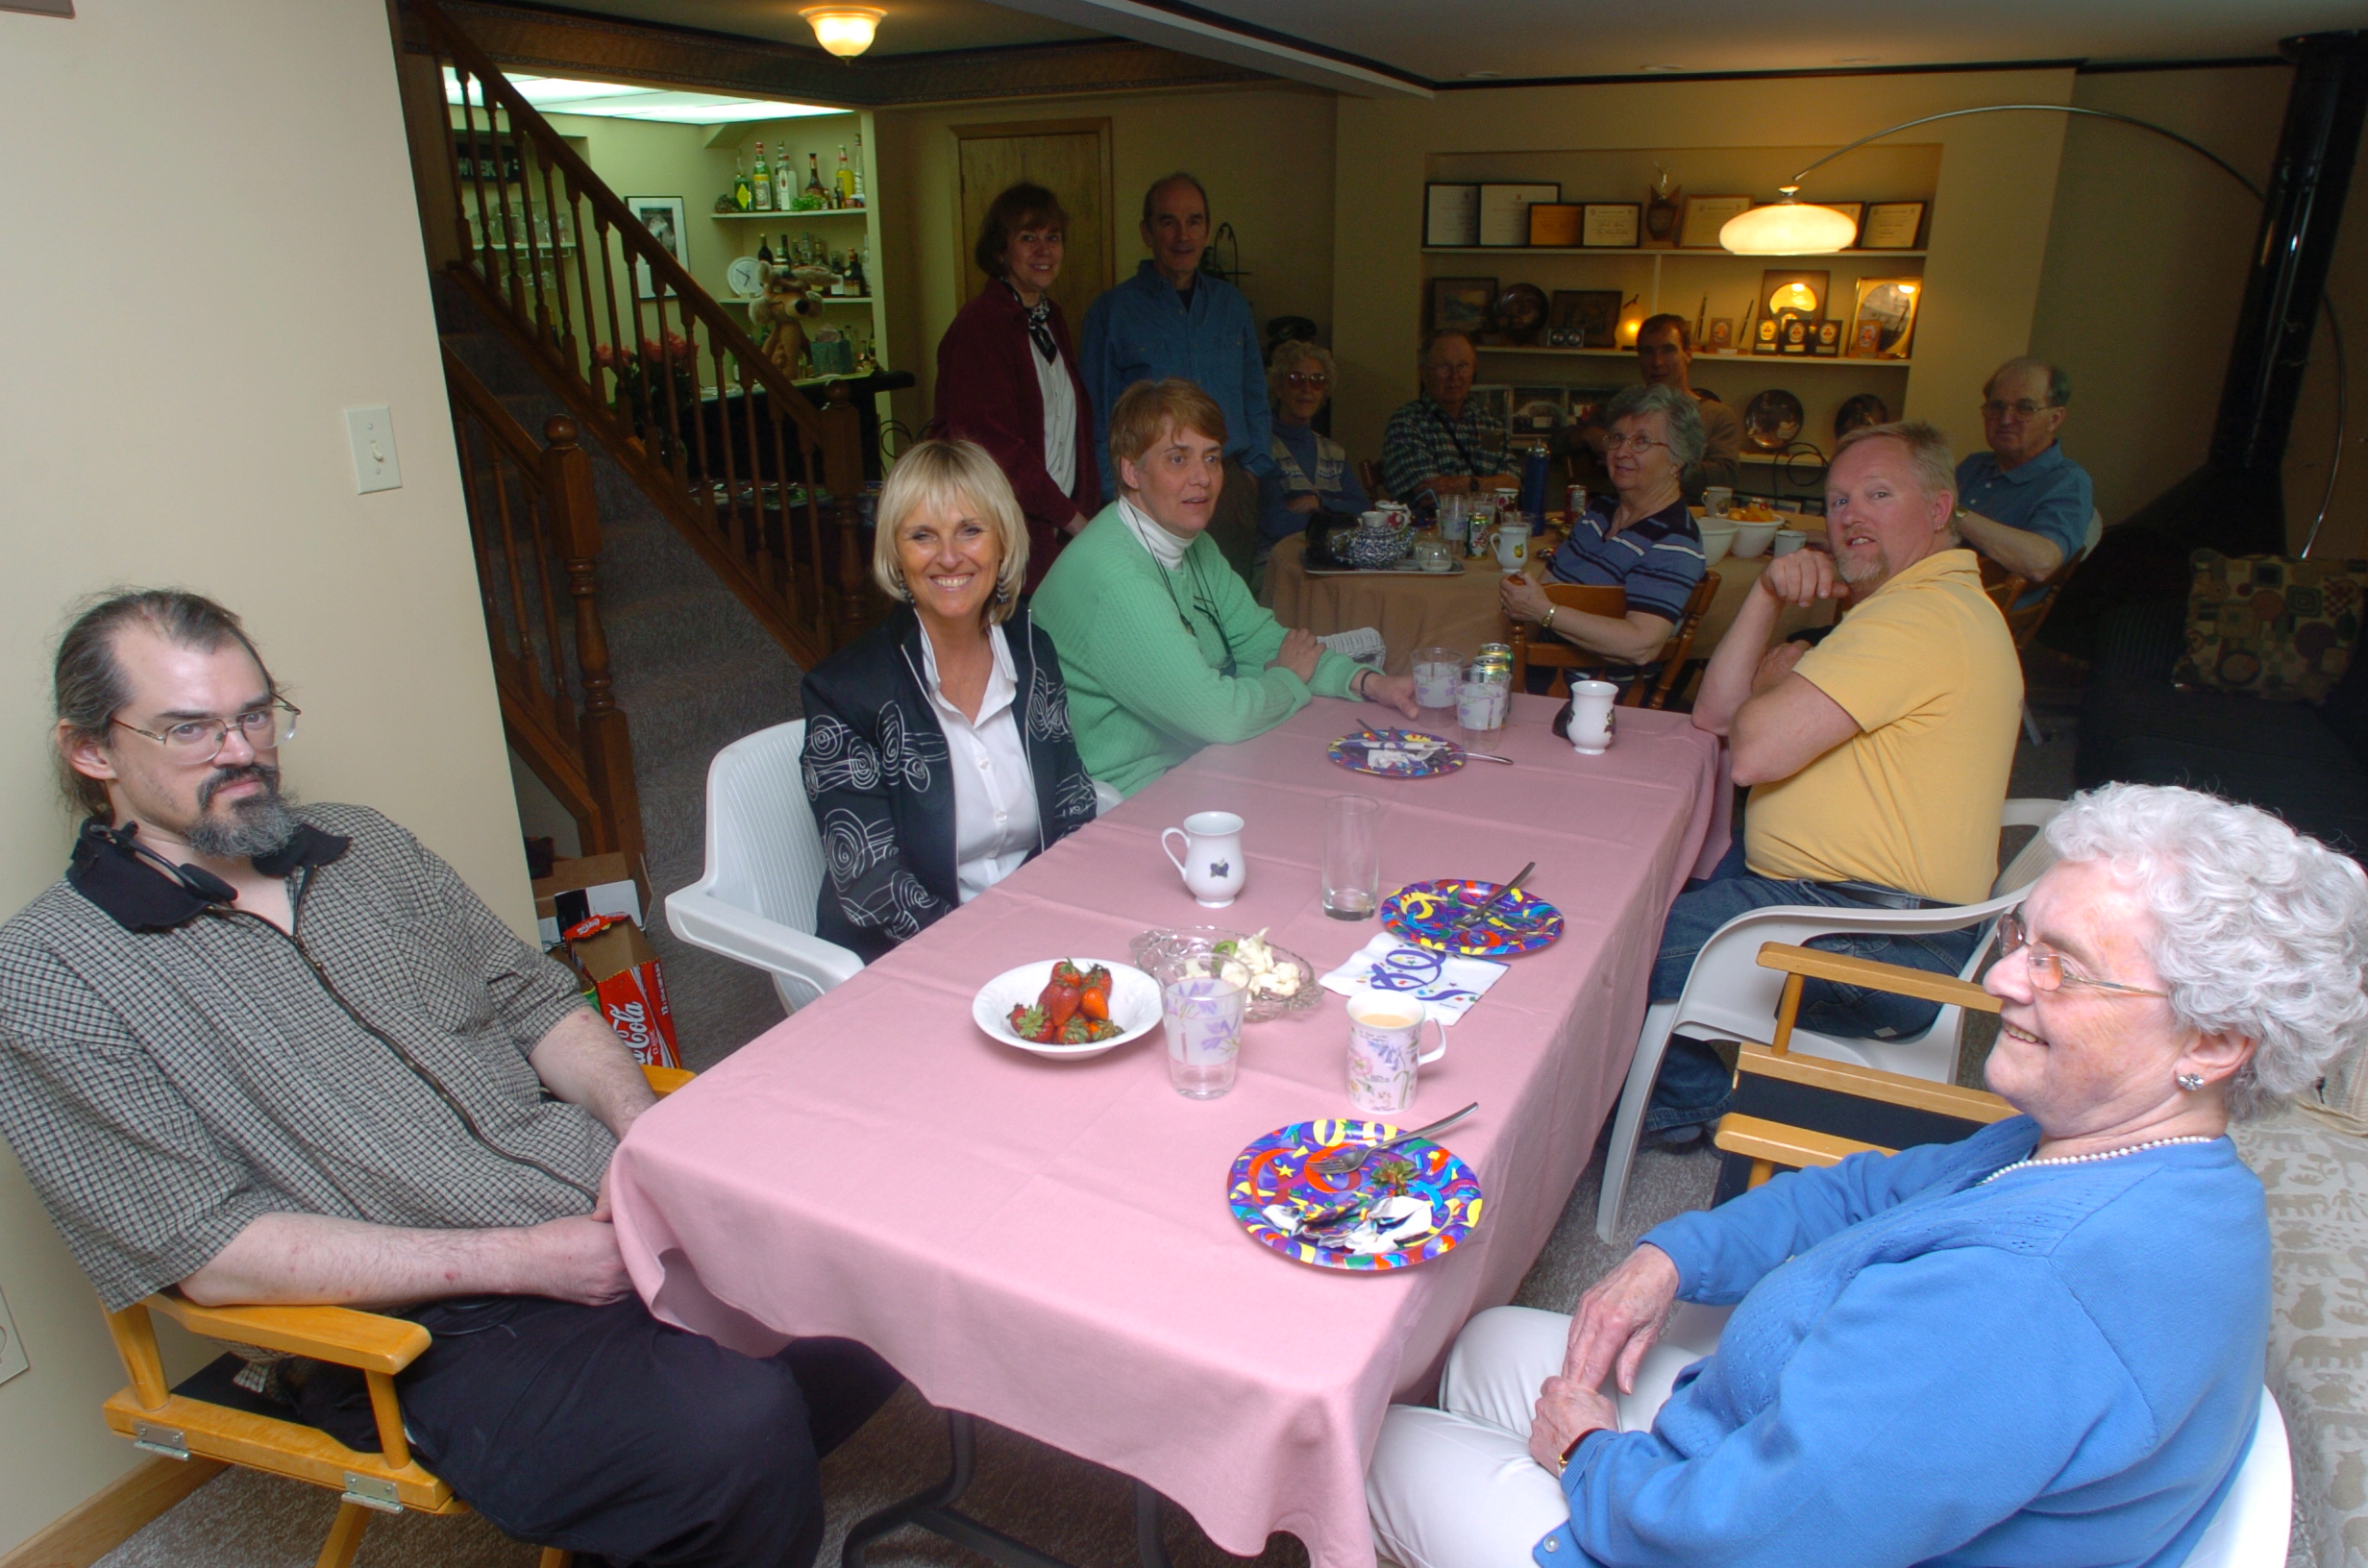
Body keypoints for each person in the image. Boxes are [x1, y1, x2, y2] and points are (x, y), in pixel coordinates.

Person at [0, 591, 900, 1568]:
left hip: (599, 1195)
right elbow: (208, 1252)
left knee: (879, 1272)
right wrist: (528, 1259)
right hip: (427, 1319)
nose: (241, 751)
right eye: (189, 729)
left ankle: (688, 1516)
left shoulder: (363, 847)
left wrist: (639, 1127)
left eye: (255, 714)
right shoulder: (53, 975)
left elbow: (534, 1001)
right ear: (91, 751)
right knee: (729, 1429)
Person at [1369, 782, 2368, 1568]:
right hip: (1776, 1443)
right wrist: (1673, 1256)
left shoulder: (2028, 1294)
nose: (1998, 980)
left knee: (1377, 1452)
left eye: (2060, 965)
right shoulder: (2123, 1154)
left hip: (1723, 1529)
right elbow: (1866, 1193)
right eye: (2021, 938)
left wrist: (1587, 1458)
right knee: (1486, 1347)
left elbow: (1745, 1541)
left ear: (2213, 1042)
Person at [1645, 420, 2023, 1143]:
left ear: (1939, 509)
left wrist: (1770, 691)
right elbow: (1716, 716)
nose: (1849, 516)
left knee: (1616, 944)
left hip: (1875, 938)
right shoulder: (1921, 603)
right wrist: (1765, 593)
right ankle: (1683, 1089)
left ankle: (1690, 1103)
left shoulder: (1918, 618)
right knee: (1646, 897)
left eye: (1878, 494)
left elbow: (1750, 754)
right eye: (1838, 500)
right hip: (1856, 908)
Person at [1031, 379, 1420, 797]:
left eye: (1212, 458)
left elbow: (1257, 641)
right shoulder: (1118, 580)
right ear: (1131, 471)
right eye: (1178, 459)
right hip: (1124, 795)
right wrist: (1287, 679)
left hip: (1196, 762)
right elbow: (1220, 716)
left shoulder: (1190, 542)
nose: (1203, 478)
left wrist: (1365, 681)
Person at [802, 440, 1096, 960]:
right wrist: (988, 950)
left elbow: (1073, 804)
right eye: (922, 536)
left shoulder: (1032, 651)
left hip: (1031, 932)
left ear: (1002, 541)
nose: (950, 556)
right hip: (904, 955)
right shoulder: (845, 691)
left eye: (970, 530)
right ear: (895, 553)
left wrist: (1048, 922)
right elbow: (873, 885)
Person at [1079, 172, 1269, 584]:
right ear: (1147, 232)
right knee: (1155, 603)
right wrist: (1117, 497)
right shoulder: (1112, 312)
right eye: (1168, 222)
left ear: (1206, 231)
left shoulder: (1232, 306)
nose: (1183, 235)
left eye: (1194, 221)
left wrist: (1251, 472)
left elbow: (1256, 394)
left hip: (1227, 489)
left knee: (1228, 604)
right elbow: (1095, 416)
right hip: (1150, 494)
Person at [931, 184, 1100, 594]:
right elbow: (993, 449)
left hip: (1058, 537)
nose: (1044, 250)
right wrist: (1073, 519)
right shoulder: (980, 325)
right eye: (1028, 238)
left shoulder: (1050, 318)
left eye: (1053, 238)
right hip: (1005, 541)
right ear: (1001, 250)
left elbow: (1067, 432)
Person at [1500, 382, 1707, 685]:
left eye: (1641, 441)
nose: (1622, 452)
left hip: (1592, 699)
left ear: (1678, 460)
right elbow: (1547, 589)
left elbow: (1641, 645)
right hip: (1537, 680)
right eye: (1617, 438)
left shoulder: (1674, 541)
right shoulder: (1599, 513)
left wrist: (1544, 611)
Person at [1954, 356, 2095, 606]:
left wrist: (1954, 513)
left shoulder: (2067, 481)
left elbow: (2041, 562)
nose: (2006, 419)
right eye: (1996, 406)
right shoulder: (1974, 465)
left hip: (1979, 617)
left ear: (2055, 418)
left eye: (2025, 408)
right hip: (1930, 594)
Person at [1573, 313, 1742, 501]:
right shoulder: (1625, 409)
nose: (1657, 362)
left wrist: (1653, 464)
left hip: (1689, 513)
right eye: (1648, 352)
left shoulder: (1717, 415)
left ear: (1687, 354)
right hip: (1623, 513)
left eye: (1668, 350)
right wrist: (1588, 434)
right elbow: (1558, 441)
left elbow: (1725, 477)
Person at [1257, 339, 1369, 561]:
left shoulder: (1334, 452)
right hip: (1277, 563)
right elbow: (1275, 524)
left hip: (1332, 562)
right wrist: (1339, 515)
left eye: (1317, 381)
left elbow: (1364, 511)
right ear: (1278, 388)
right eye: (1295, 379)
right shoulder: (1263, 450)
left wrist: (1318, 504)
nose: (1307, 389)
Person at [1380, 329, 1518, 502]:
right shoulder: (1407, 423)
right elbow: (1430, 495)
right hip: (1431, 521)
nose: (1455, 376)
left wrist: (1466, 484)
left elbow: (1512, 485)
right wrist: (1488, 486)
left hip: (1487, 520)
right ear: (1424, 372)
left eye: (1463, 366)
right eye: (1444, 367)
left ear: (1474, 371)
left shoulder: (1490, 424)